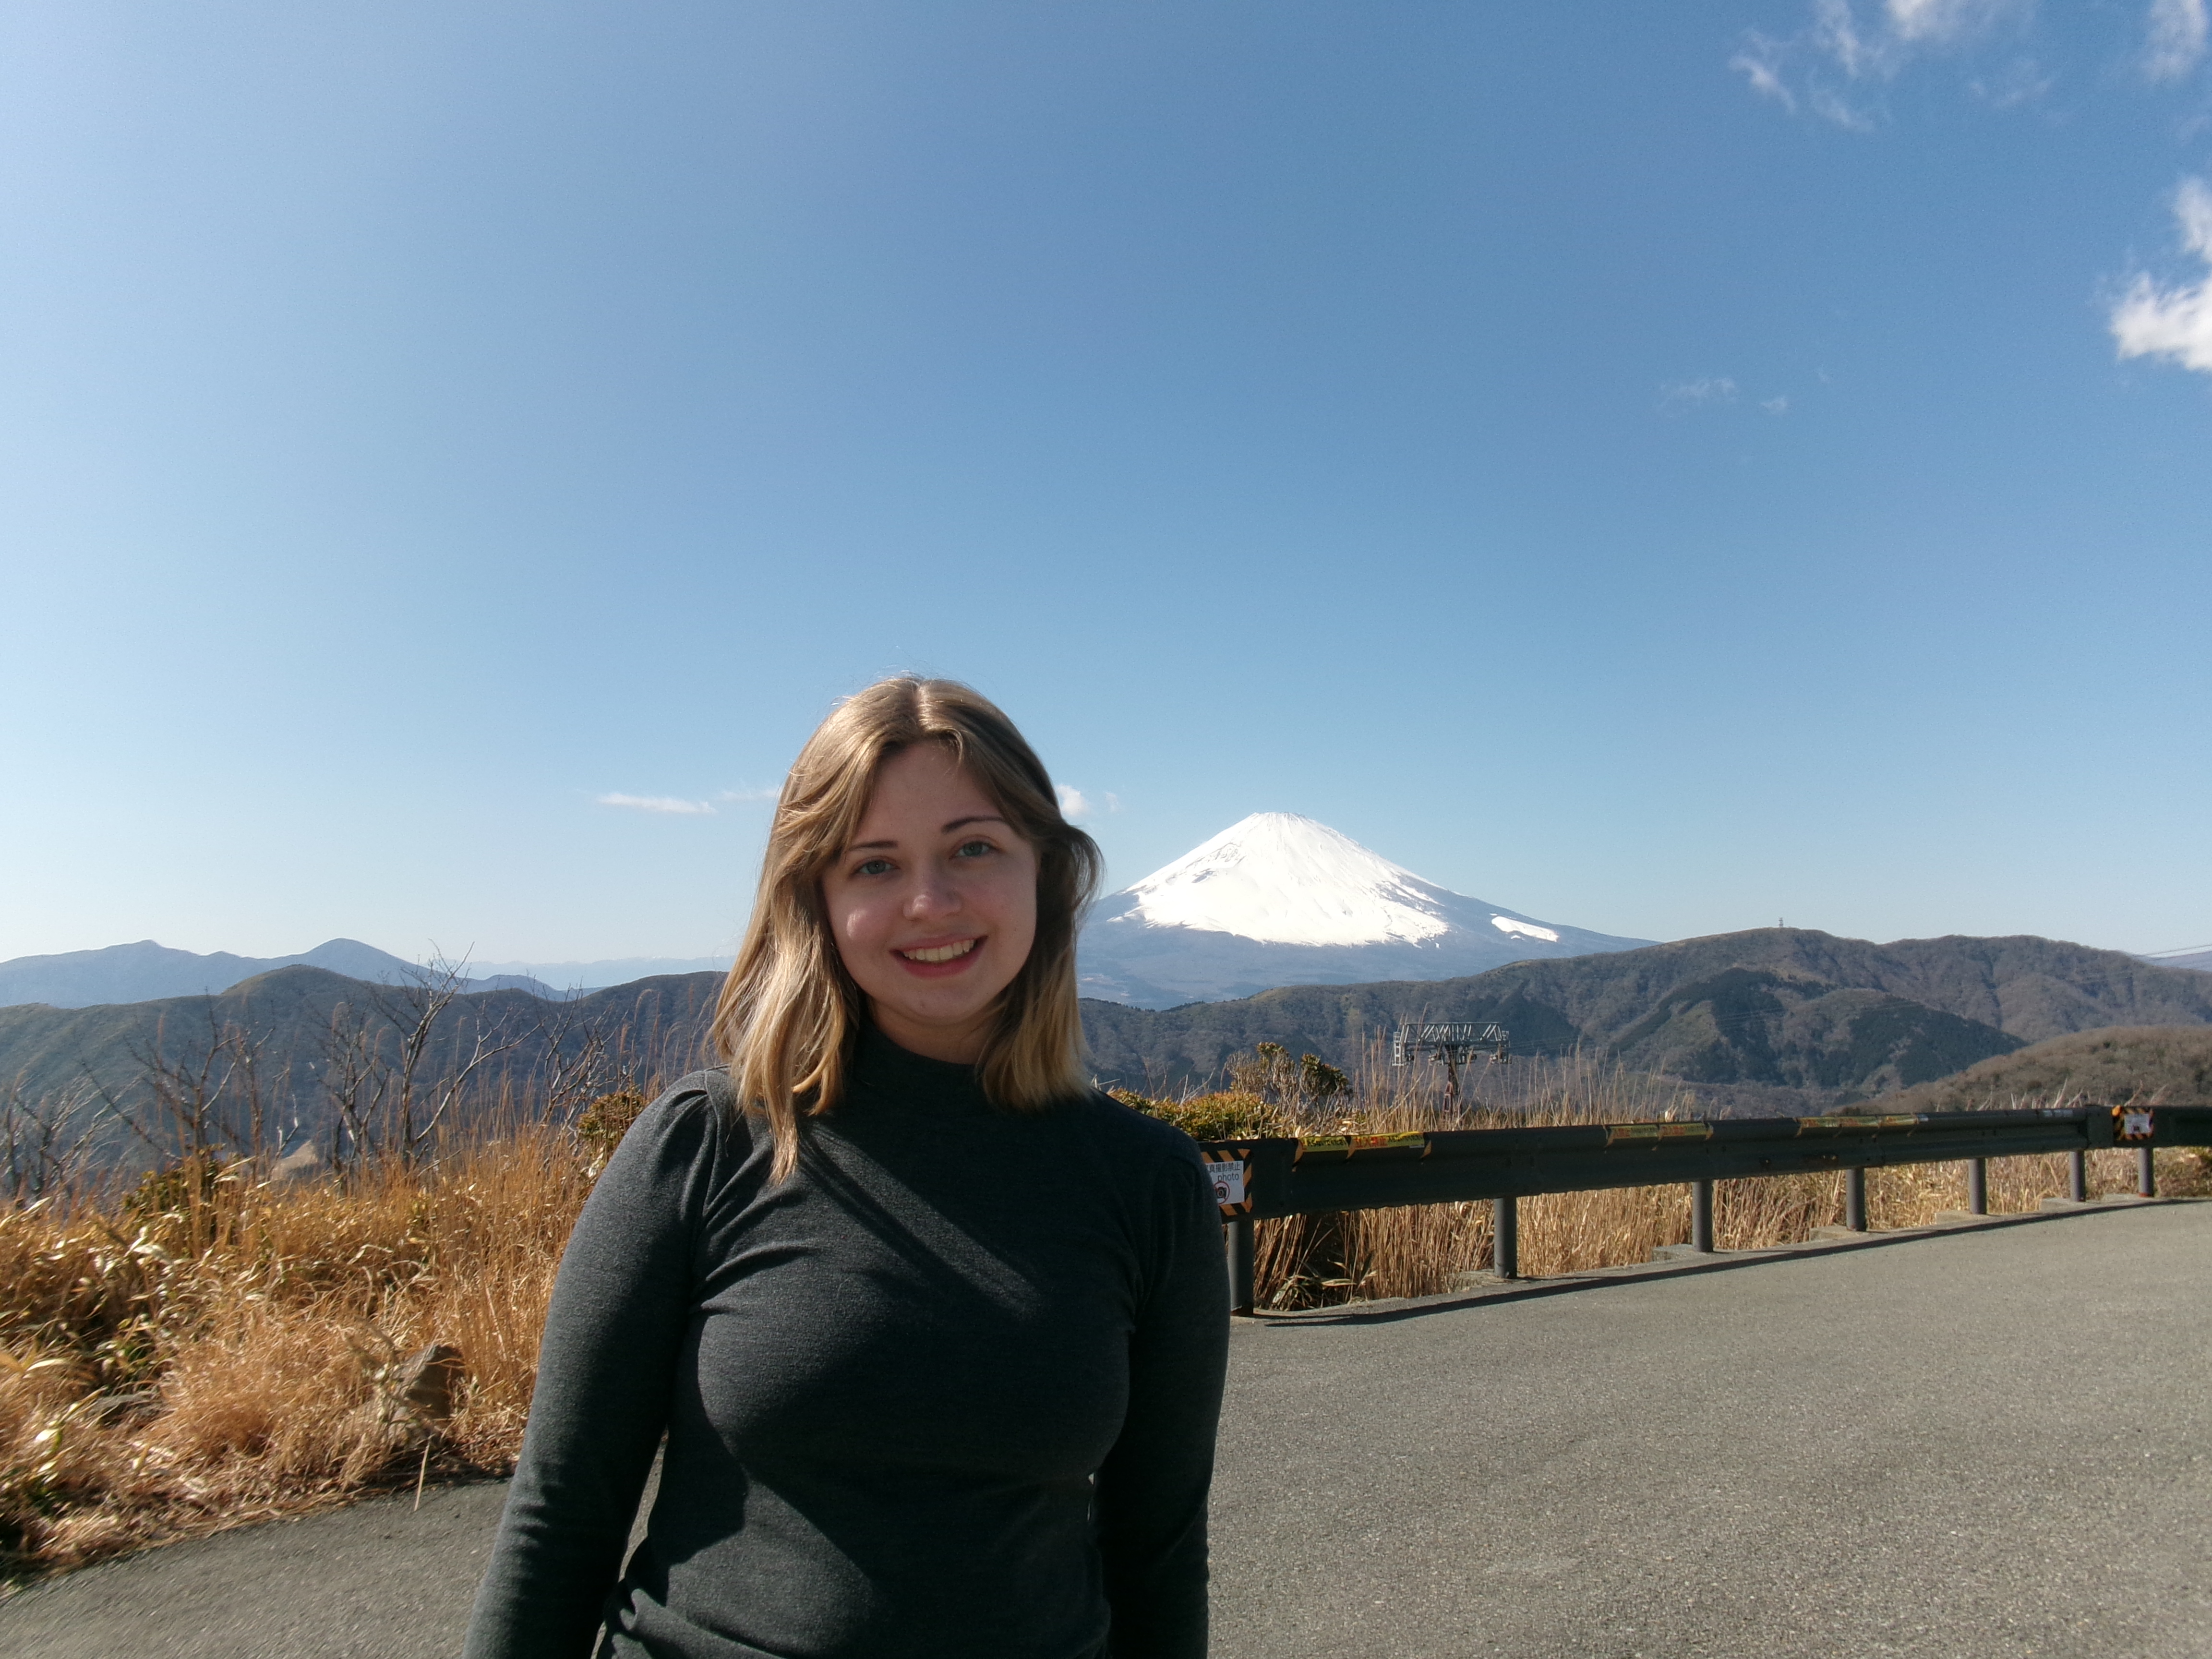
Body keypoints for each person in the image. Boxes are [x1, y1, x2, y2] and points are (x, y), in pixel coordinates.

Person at [463, 676, 1231, 1659]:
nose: (930, 901)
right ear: (815, 901)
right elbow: (561, 1515)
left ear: (1048, 870)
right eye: (874, 866)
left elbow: (1158, 1554)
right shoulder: (706, 1144)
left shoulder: (1148, 1183)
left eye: (974, 847)